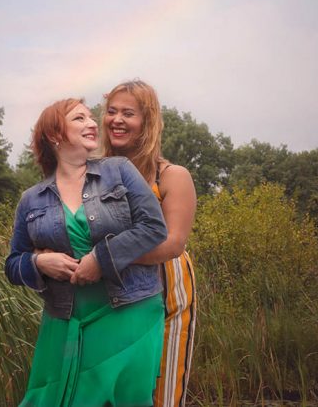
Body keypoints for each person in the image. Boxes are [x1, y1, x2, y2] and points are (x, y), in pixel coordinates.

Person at [5, 98, 168, 407]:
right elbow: (13, 264)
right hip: (64, 320)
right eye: (80, 118)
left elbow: (154, 227)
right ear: (55, 134)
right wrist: (39, 262)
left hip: (128, 311)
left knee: (120, 399)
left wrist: (100, 260)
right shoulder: (31, 200)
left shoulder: (118, 170)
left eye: (92, 118)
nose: (94, 124)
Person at [101, 80, 197, 407]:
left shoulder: (171, 176)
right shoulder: (94, 173)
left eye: (128, 113)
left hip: (167, 293)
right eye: (111, 111)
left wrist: (107, 259)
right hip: (111, 299)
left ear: (148, 122)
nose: (117, 119)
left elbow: (173, 243)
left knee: (162, 396)